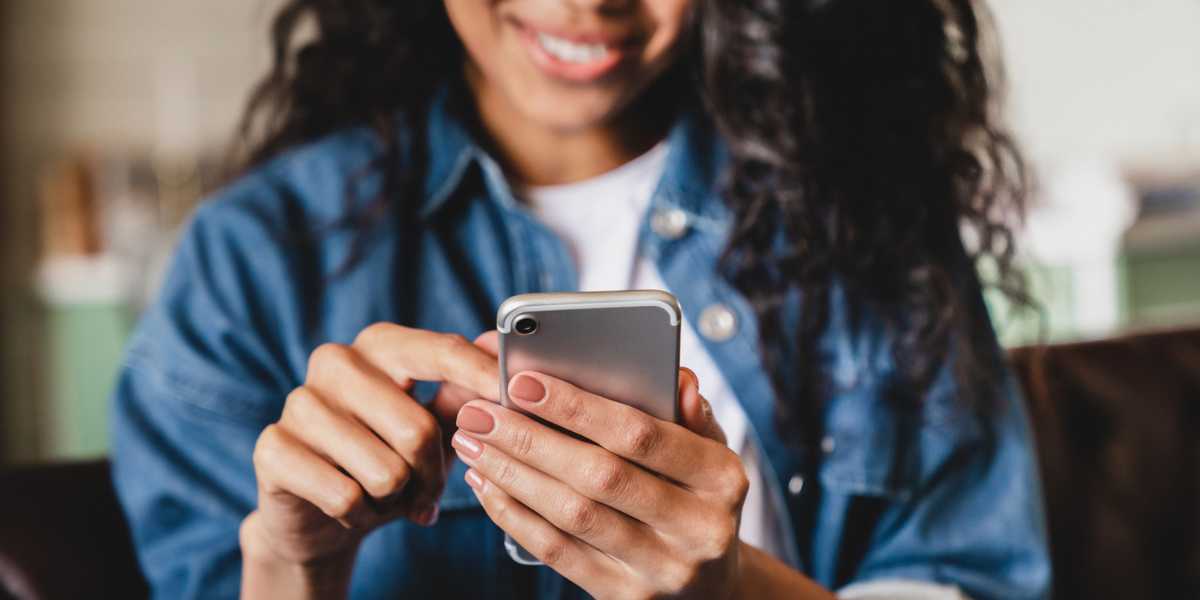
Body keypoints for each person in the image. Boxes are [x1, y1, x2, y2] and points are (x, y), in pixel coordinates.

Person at [110, 0, 1052, 598]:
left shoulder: (862, 207)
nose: (584, 2)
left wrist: (732, 591)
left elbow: (965, 571)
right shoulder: (253, 260)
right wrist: (292, 567)